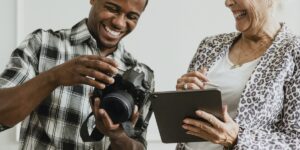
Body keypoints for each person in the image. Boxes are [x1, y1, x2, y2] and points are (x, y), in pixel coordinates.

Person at [0, 0, 155, 149]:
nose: (119, 23)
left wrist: (118, 137)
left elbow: (138, 144)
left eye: (132, 17)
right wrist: (54, 77)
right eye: (112, 8)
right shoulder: (42, 44)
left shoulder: (142, 76)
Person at [175, 0, 300, 149]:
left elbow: (295, 141)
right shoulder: (209, 45)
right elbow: (187, 121)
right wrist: (182, 97)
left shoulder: (294, 53)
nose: (228, 3)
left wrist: (236, 139)